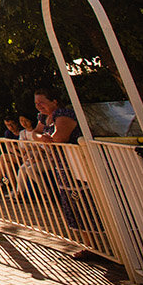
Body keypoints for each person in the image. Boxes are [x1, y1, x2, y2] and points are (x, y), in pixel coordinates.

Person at [33, 87, 103, 259]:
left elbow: (58, 138)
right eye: (36, 103)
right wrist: (43, 139)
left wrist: (42, 138)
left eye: (42, 102)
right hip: (61, 164)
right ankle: (89, 246)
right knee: (71, 203)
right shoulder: (43, 117)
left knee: (85, 200)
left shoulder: (64, 114)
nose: (39, 106)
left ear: (54, 101)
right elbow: (35, 133)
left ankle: (100, 246)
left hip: (77, 164)